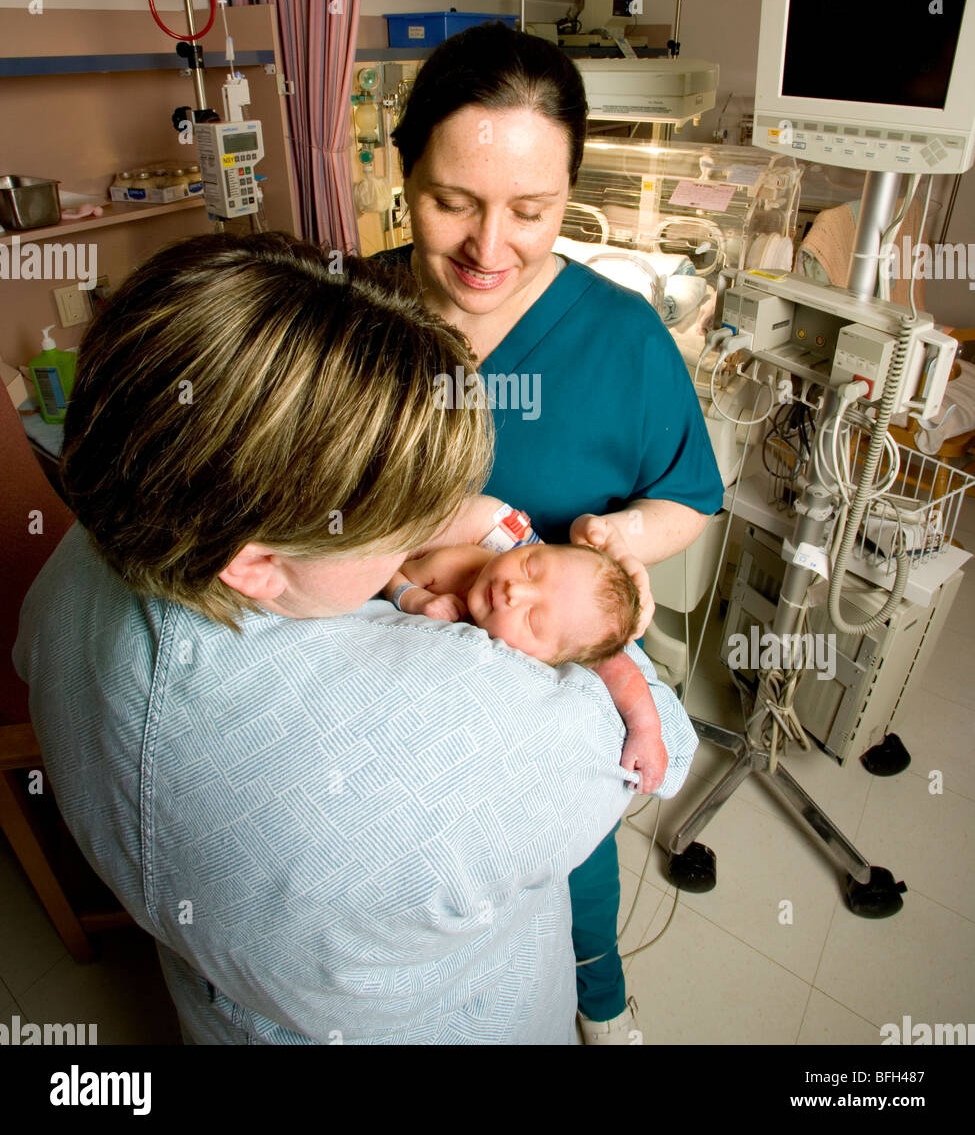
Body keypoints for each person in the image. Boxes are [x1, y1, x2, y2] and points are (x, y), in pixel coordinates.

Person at [14, 232, 697, 1045]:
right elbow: (663, 742)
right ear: (257, 565)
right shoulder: (474, 736)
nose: (431, 532)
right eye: (398, 523)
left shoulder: (70, 571)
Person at [382, 21, 725, 1041]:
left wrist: (617, 543)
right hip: (380, 678)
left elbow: (689, 496)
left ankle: (597, 995)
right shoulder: (346, 309)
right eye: (453, 203)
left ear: (571, 193)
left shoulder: (622, 337)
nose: (490, 250)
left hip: (537, 688)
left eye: (532, 211)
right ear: (405, 175)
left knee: (570, 860)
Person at [381, 497, 664, 793]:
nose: (514, 589)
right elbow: (390, 571)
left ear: (555, 657)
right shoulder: (455, 565)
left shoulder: (569, 638)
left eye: (533, 620)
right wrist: (415, 599)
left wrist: (647, 732)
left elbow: (624, 673)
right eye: (529, 566)